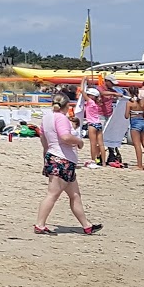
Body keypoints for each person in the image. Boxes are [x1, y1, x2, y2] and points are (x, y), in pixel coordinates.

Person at [34, 94, 100, 235]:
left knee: (75, 195)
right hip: (62, 159)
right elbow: (65, 137)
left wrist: (45, 158)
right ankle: (40, 224)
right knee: (53, 194)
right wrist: (79, 141)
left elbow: (43, 139)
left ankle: (86, 225)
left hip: (57, 158)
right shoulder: (61, 118)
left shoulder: (46, 117)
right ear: (67, 106)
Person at [126, 85, 144, 170]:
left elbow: (126, 116)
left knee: (137, 145)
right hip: (143, 122)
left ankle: (139, 165)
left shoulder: (129, 103)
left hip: (135, 122)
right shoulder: (143, 102)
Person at [82, 88, 105, 167]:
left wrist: (83, 81)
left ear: (91, 96)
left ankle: (93, 160)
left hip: (92, 124)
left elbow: (82, 91)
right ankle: (104, 162)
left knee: (93, 144)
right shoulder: (96, 104)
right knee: (101, 144)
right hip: (98, 123)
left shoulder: (90, 102)